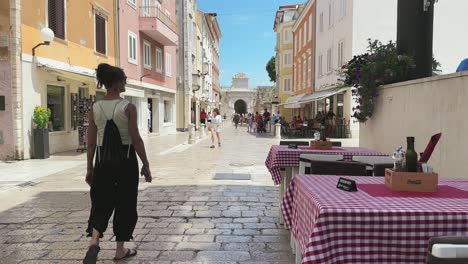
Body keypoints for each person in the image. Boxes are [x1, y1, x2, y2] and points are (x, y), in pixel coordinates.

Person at [83, 63, 152, 263]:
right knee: (126, 203)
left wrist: (90, 168)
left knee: (101, 200)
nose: (126, 83)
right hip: (126, 160)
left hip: (103, 161)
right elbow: (136, 139)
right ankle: (120, 250)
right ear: (116, 83)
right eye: (124, 80)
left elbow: (91, 143)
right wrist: (146, 164)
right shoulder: (128, 107)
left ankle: (94, 241)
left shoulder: (95, 108)